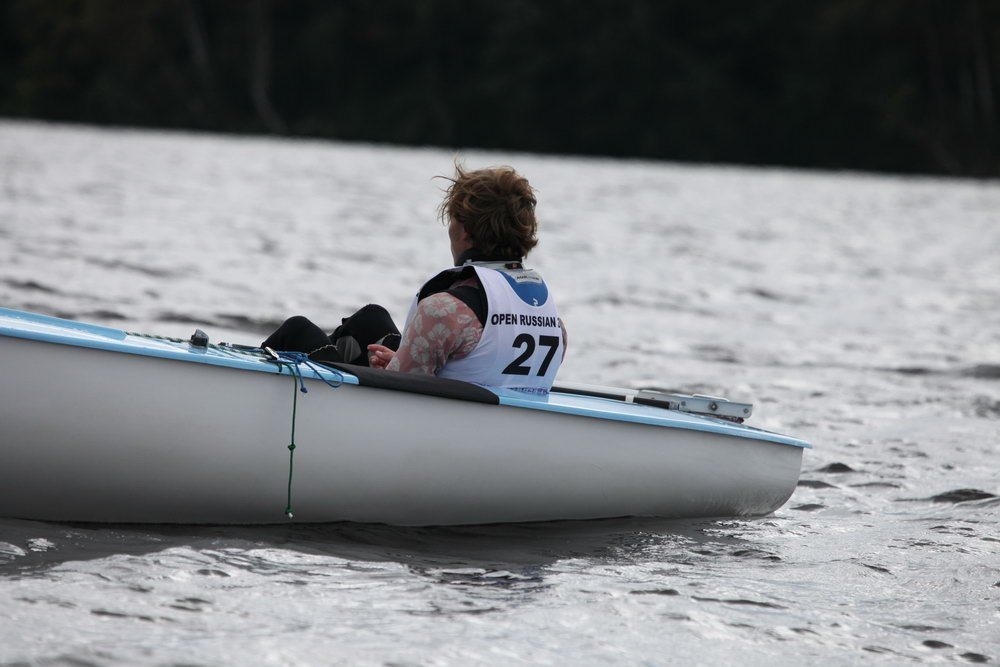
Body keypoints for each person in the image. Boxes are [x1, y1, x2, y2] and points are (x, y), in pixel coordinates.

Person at [262, 163, 566, 392]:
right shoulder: (554, 323)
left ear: (465, 231)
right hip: (488, 417)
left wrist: (396, 368)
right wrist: (398, 362)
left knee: (298, 330)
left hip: (413, 424)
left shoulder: (445, 310)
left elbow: (399, 396)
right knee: (372, 318)